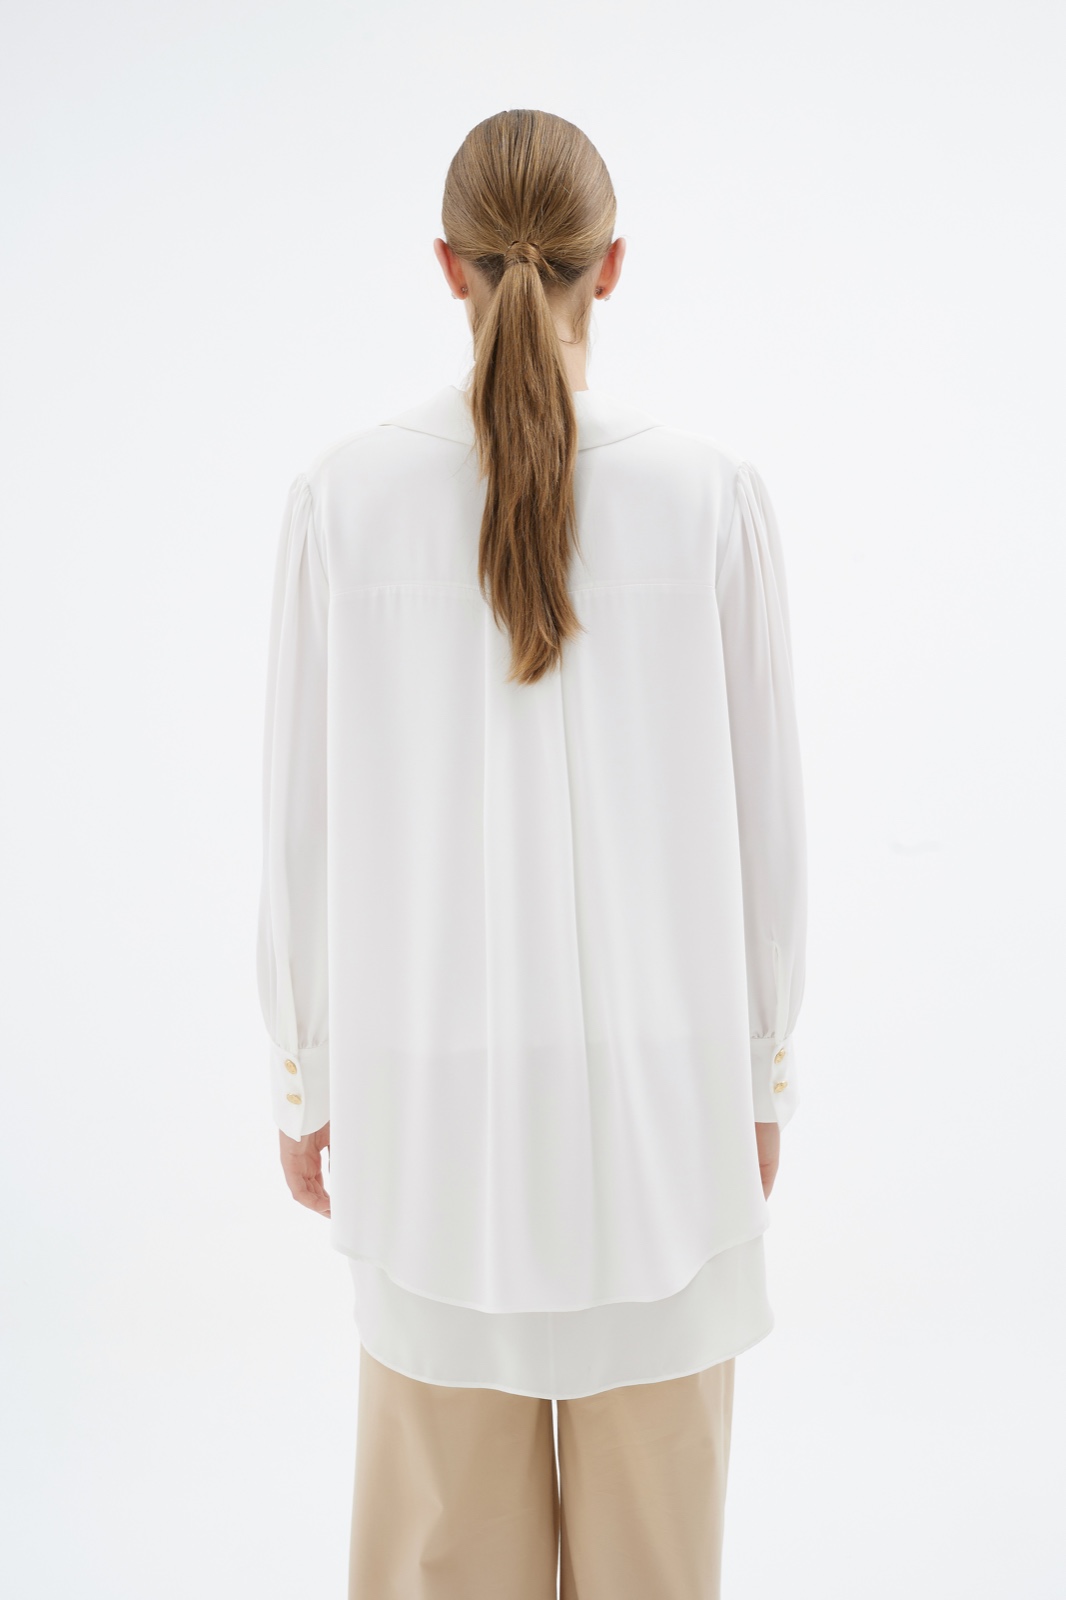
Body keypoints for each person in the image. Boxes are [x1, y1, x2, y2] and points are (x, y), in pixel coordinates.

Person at [257, 107, 806, 1600]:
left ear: (446, 265)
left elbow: (298, 822)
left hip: (427, 1109)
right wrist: (759, 1070)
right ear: (609, 265)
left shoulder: (343, 496)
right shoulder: (707, 494)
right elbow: (768, 819)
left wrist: (306, 1070)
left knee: (437, 1564)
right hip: (667, 1106)